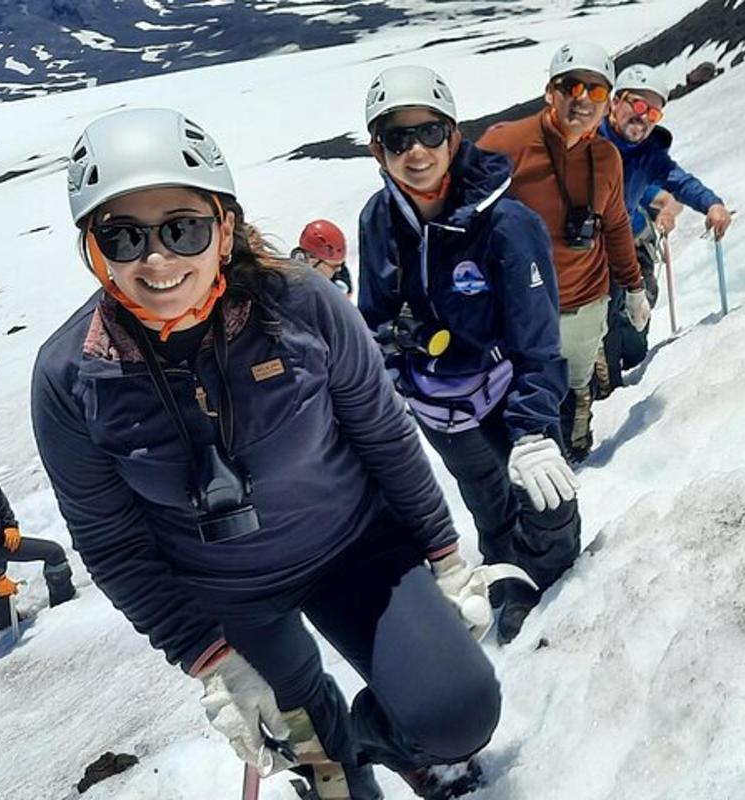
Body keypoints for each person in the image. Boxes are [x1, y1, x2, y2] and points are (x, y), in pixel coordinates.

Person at [32, 107, 503, 800]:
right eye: (124, 235)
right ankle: (340, 764)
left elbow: (382, 432)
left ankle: (372, 740)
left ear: (223, 231)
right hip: (227, 594)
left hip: (354, 548)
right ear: (94, 250)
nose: (157, 259)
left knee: (458, 711)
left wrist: (444, 556)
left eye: (182, 228)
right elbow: (112, 543)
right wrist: (210, 659)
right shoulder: (71, 378)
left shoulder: (301, 306)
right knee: (321, 771)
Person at [358, 66, 580, 645]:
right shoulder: (377, 220)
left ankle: (561, 592)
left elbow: (538, 338)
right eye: (397, 138)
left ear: (454, 137)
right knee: (489, 506)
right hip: (441, 408)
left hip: (509, 394)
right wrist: (389, 376)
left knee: (548, 501)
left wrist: (533, 429)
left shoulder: (507, 223)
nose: (416, 151)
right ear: (377, 151)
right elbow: (375, 316)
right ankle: (514, 590)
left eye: (429, 132)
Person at [478, 41, 650, 463]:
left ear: (607, 102)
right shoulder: (507, 144)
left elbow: (615, 226)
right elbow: (462, 218)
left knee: (576, 386)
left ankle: (577, 449)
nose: (583, 100)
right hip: (522, 308)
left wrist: (633, 287)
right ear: (550, 92)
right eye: (571, 87)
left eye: (595, 92)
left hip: (585, 301)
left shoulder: (606, 158)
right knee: (530, 393)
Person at [595, 64, 732, 395]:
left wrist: (712, 204)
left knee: (612, 323)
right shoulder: (586, 140)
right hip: (569, 253)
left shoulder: (648, 155)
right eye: (637, 105)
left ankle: (606, 395)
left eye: (653, 112)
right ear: (615, 102)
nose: (643, 117)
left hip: (614, 251)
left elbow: (679, 182)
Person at [0, 467, 77, 632]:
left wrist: (9, 524)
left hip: (1, 539)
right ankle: (7, 635)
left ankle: (64, 609)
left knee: (53, 553)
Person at [292, 219, 354, 300]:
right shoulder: (292, 288)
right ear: (312, 261)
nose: (339, 270)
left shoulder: (339, 275)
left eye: (341, 264)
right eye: (335, 267)